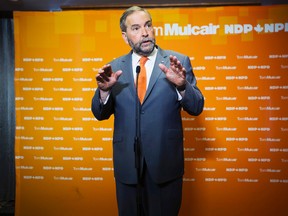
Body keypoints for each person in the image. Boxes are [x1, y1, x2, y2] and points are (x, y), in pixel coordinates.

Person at [91, 6, 204, 216]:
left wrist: (182, 86)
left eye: (148, 25)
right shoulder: (114, 67)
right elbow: (100, 113)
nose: (145, 32)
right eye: (136, 28)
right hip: (127, 167)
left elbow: (196, 106)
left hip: (165, 166)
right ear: (125, 37)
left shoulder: (176, 62)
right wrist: (104, 92)